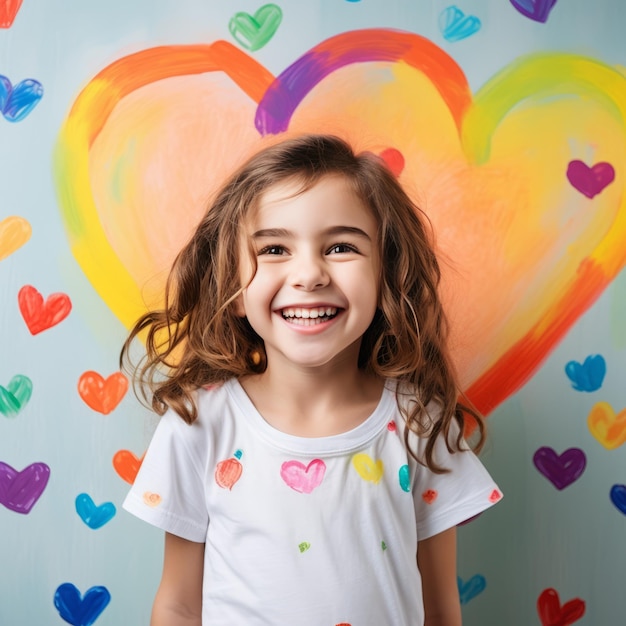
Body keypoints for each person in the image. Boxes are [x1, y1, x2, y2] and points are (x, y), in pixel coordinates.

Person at [121, 134, 502, 626]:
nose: (309, 275)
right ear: (232, 288)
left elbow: (440, 607)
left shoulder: (420, 424)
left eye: (341, 246)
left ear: (386, 278)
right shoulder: (198, 423)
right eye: (275, 248)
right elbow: (177, 604)